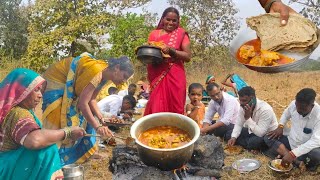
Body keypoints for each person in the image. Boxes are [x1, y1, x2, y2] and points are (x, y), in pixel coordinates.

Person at [41, 52, 134, 165]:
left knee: (89, 118)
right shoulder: (97, 72)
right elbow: (83, 104)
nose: (124, 81)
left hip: (70, 89)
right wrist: (98, 127)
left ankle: (83, 152)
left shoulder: (105, 76)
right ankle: (49, 161)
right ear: (117, 68)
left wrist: (101, 119)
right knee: (57, 118)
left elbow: (92, 100)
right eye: (124, 76)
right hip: (56, 82)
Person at [0, 68, 85, 180]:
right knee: (46, 150)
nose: (40, 95)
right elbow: (34, 140)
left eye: (41, 90)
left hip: (5, 163)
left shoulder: (9, 110)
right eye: (36, 90)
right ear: (22, 90)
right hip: (7, 169)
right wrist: (67, 132)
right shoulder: (18, 113)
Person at [144, 7, 191, 115]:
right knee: (156, 105)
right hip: (157, 75)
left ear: (178, 21)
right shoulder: (154, 34)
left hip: (175, 76)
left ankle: (175, 131)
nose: (171, 23)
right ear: (162, 19)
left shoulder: (181, 34)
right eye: (168, 19)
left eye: (174, 20)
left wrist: (171, 51)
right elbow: (149, 54)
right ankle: (155, 131)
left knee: (175, 106)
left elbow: (188, 56)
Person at [264, 88, 320, 170]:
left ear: (312, 105)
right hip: (291, 142)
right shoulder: (294, 104)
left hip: (307, 148)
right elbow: (286, 114)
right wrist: (280, 126)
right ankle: (296, 161)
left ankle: (285, 154)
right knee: (268, 137)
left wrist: (293, 154)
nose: (298, 110)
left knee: (316, 155)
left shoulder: (318, 116)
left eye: (302, 108)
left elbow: (316, 141)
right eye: (297, 106)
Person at [228, 86, 278, 152]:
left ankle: (254, 146)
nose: (241, 103)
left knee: (254, 142)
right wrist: (233, 137)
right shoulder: (243, 106)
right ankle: (248, 145)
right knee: (229, 134)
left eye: (244, 100)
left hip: (266, 135)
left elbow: (260, 133)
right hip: (252, 131)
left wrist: (248, 118)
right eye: (240, 100)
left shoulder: (265, 109)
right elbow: (239, 124)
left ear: (253, 99)